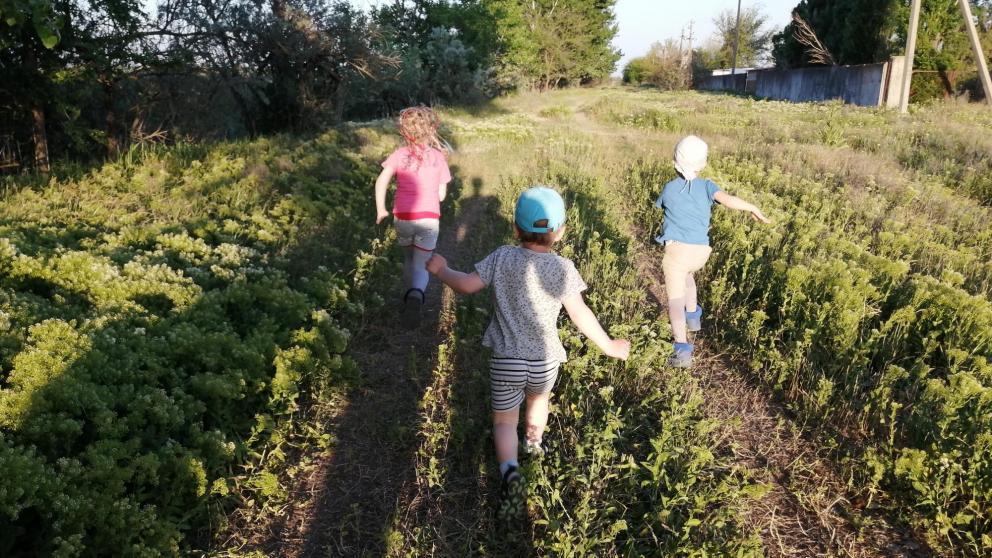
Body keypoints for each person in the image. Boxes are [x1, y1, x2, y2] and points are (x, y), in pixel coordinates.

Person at [426, 186, 630, 519]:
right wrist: (608, 346)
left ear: (516, 228)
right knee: (538, 401)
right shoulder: (563, 268)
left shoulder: (502, 257)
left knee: (505, 422)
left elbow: (465, 285)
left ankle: (510, 471)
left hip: (507, 360)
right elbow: (580, 314)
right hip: (545, 362)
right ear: (560, 232)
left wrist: (441, 270)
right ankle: (534, 443)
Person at [655, 135, 771, 367]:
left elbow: (665, 208)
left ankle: (681, 349)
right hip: (701, 253)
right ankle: (694, 317)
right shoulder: (708, 186)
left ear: (674, 162)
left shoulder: (669, 188)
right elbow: (728, 200)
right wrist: (751, 206)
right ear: (703, 165)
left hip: (677, 253)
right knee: (689, 276)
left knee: (674, 300)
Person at [374, 106, 452, 327]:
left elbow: (381, 180)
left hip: (403, 217)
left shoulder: (399, 155)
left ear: (404, 131)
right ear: (431, 130)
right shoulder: (438, 157)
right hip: (428, 219)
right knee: (421, 263)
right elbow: (442, 195)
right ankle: (416, 295)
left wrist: (381, 208)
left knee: (408, 259)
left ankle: (408, 295)